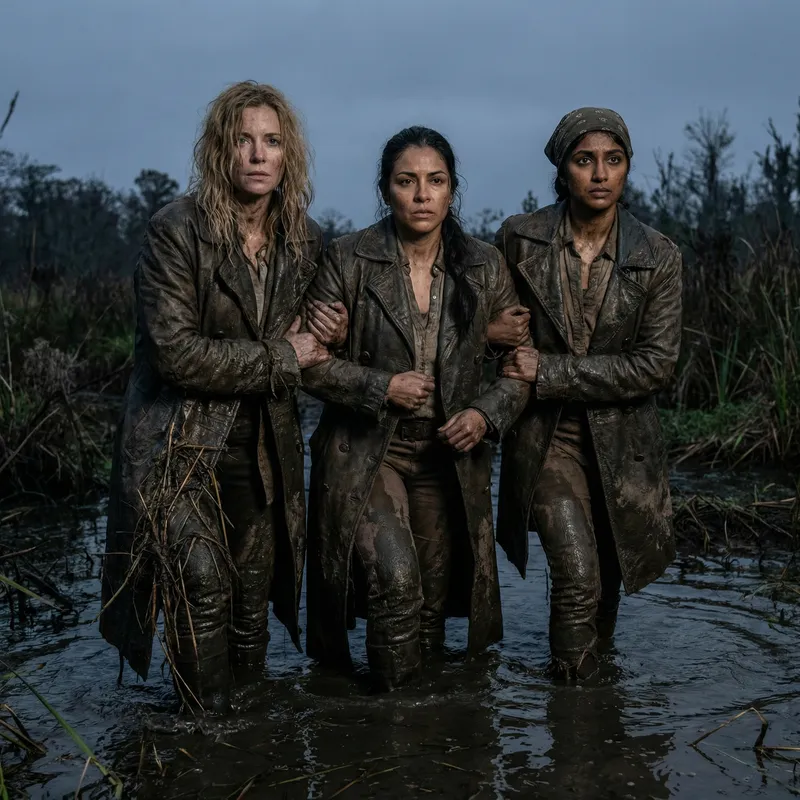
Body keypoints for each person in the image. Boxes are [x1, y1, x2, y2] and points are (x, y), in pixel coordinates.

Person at [99, 81, 347, 713]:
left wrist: (330, 329)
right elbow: (174, 354)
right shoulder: (175, 231)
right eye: (244, 140)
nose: (258, 155)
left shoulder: (305, 237)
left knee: (249, 605)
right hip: (175, 443)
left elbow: (318, 339)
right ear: (219, 151)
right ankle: (200, 742)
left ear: (288, 154)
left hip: (262, 445)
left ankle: (247, 749)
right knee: (201, 586)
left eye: (272, 141)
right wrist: (283, 354)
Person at [301, 126, 530, 691]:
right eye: (407, 182)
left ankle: (422, 741)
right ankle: (391, 728)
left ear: (453, 189)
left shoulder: (484, 264)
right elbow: (307, 362)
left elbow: (519, 367)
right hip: (368, 452)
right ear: (386, 191)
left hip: (449, 453)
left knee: (428, 605)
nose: (422, 195)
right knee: (395, 581)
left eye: (436, 181)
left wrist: (484, 415)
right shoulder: (348, 258)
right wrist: (380, 388)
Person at [491, 108, 682, 680]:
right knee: (576, 573)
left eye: (613, 160)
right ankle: (575, 718)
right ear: (562, 170)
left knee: (607, 579)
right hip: (545, 437)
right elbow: (480, 324)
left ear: (626, 169)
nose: (600, 173)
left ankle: (591, 705)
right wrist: (489, 337)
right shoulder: (520, 239)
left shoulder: (658, 256)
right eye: (584, 160)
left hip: (624, 444)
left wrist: (549, 370)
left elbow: (655, 366)